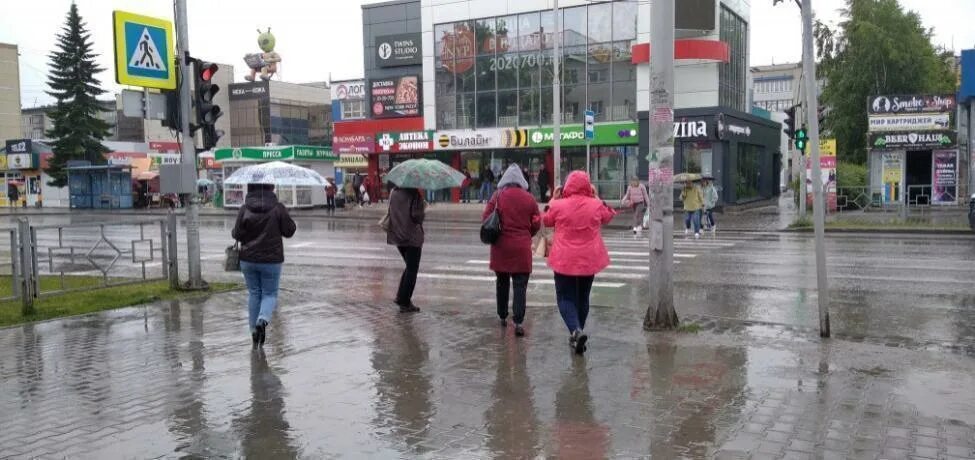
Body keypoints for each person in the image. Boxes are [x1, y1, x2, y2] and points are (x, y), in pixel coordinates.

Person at [542, 171, 616, 354]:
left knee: (565, 297)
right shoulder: (595, 204)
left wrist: (553, 199)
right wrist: (596, 196)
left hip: (563, 259)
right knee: (583, 297)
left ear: (567, 186)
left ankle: (575, 331)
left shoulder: (559, 205)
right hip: (588, 259)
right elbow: (608, 216)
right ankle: (578, 332)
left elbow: (546, 219)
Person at [232, 183, 297, 347]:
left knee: (254, 293)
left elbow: (237, 233)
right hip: (271, 260)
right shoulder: (278, 208)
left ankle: (254, 331)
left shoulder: (244, 208)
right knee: (269, 294)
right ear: (271, 188)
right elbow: (289, 231)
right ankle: (263, 320)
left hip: (248, 259)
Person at [483, 164, 541, 337]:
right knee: (520, 285)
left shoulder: (497, 196)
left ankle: (502, 316)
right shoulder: (529, 198)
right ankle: (518, 322)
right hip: (521, 248)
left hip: (501, 247)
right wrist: (527, 233)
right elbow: (537, 222)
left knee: (502, 283)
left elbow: (486, 218)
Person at [386, 184, 426, 313]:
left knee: (409, 267)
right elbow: (417, 216)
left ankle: (400, 297)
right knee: (412, 269)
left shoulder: (393, 192)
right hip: (412, 237)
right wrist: (423, 207)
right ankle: (405, 301)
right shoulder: (414, 193)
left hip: (397, 235)